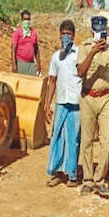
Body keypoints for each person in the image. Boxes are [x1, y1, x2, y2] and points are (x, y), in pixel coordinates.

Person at [77, 16, 109, 197]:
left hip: (105, 97)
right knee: (86, 141)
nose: (99, 32)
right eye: (96, 29)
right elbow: (80, 72)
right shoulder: (84, 48)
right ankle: (87, 179)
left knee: (106, 139)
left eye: (102, 29)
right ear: (92, 29)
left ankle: (99, 178)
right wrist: (93, 51)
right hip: (88, 97)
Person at [44, 20, 82, 187]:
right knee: (57, 135)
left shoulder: (79, 54)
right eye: (63, 33)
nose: (66, 36)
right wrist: (47, 104)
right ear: (59, 35)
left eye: (69, 33)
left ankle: (72, 173)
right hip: (60, 101)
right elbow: (52, 81)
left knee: (73, 138)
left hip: (75, 102)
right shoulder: (55, 57)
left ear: (73, 35)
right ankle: (57, 171)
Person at [12, 9, 41, 76]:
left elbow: (36, 50)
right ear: (22, 20)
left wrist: (39, 64)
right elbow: (13, 50)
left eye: (28, 19)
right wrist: (14, 65)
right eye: (25, 19)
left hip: (31, 63)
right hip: (21, 62)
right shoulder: (17, 33)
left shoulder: (33, 33)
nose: (27, 21)